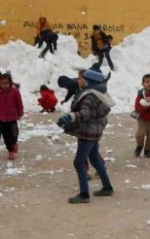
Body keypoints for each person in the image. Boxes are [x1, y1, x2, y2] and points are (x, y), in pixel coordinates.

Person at [56, 68, 115, 204]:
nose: (79, 80)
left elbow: (85, 113)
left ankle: (84, 194)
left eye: (82, 78)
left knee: (78, 162)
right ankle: (107, 187)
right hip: (95, 131)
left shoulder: (90, 96)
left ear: (89, 81)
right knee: (94, 158)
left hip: (88, 132)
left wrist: (69, 117)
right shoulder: (96, 93)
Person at [0, 73, 24, 160]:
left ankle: (14, 143)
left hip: (12, 117)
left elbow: (19, 103)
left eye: (6, 83)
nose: (4, 85)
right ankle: (10, 150)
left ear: (10, 83)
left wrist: (20, 112)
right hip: (1, 118)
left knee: (14, 133)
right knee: (6, 135)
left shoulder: (15, 92)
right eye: (2, 83)